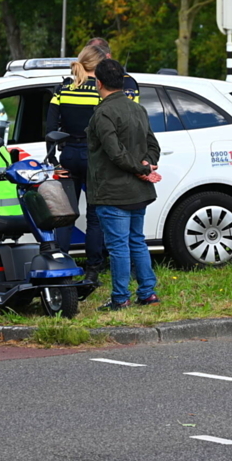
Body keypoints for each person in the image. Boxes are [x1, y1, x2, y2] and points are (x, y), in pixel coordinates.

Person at [87, 59, 161, 311]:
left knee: (118, 246)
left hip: (113, 191)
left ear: (98, 82)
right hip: (138, 191)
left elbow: (114, 153)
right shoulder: (137, 109)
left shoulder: (103, 112)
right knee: (136, 241)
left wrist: (142, 169)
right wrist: (147, 165)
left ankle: (120, 298)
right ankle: (148, 293)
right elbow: (154, 146)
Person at [44, 44, 109, 283]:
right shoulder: (99, 91)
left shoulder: (63, 89)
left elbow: (50, 129)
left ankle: (60, 265)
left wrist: (52, 159)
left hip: (68, 155)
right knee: (94, 216)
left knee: (65, 214)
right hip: (94, 157)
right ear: (98, 65)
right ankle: (93, 269)